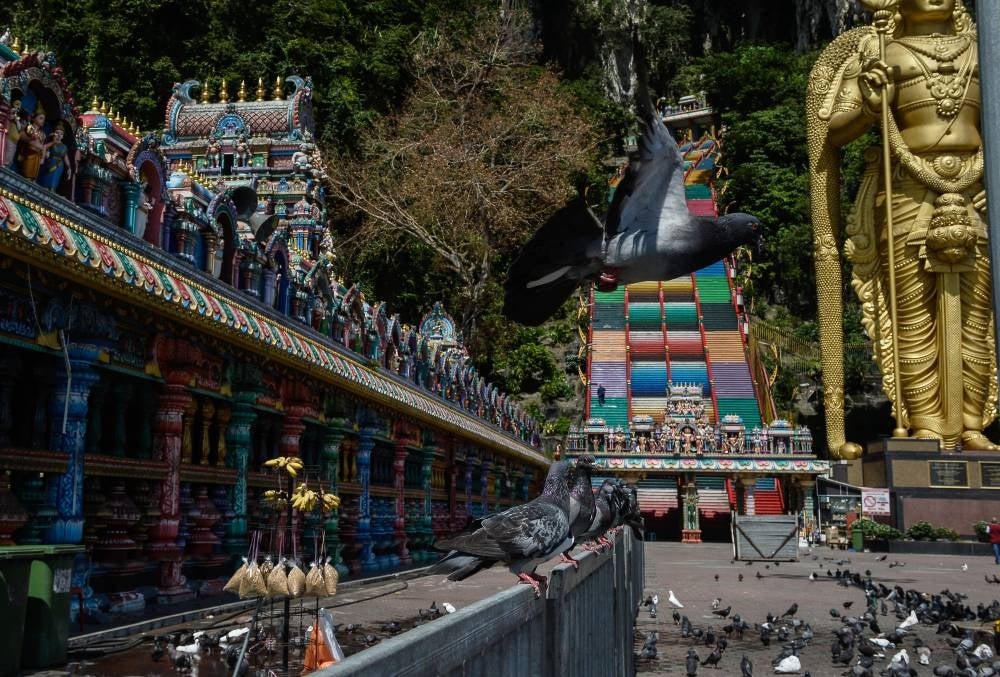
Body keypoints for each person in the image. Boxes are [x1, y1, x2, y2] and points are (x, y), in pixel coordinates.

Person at [809, 0, 997, 453]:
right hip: (907, 192)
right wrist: (871, 107)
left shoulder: (983, 47)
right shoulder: (878, 50)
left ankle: (973, 422)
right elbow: (832, 130)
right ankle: (925, 423)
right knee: (911, 314)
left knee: (977, 313)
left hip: (976, 187)